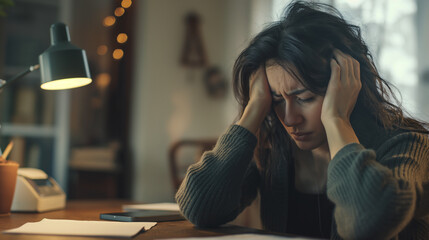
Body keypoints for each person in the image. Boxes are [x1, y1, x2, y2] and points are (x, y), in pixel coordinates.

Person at [175, 1, 429, 239]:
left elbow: (367, 222)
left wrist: (337, 119)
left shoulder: (406, 143)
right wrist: (253, 109)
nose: (289, 118)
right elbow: (200, 208)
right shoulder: (272, 147)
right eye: (275, 100)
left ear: (347, 87)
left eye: (305, 98)